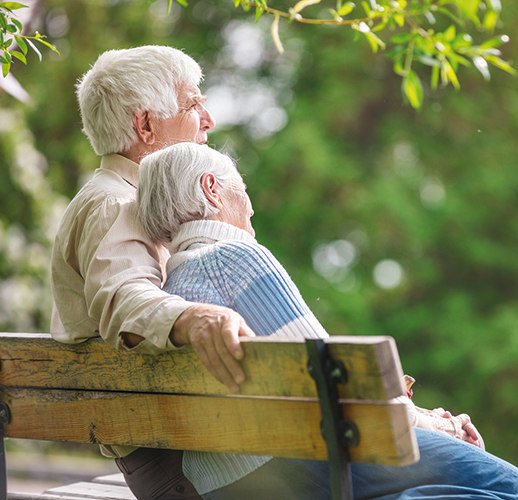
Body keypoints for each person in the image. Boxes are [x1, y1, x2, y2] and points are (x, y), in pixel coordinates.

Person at [134, 141, 518, 500]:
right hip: (297, 461)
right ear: (212, 189)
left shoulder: (172, 288)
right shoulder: (235, 258)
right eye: (243, 187)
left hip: (220, 481)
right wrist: (442, 427)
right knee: (509, 484)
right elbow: (343, 390)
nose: (250, 206)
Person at [50, 46, 257, 500]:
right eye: (193, 104)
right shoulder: (116, 203)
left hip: (186, 444)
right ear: (145, 125)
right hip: (176, 462)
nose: (209, 120)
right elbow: (124, 298)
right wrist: (195, 318)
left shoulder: (137, 201)